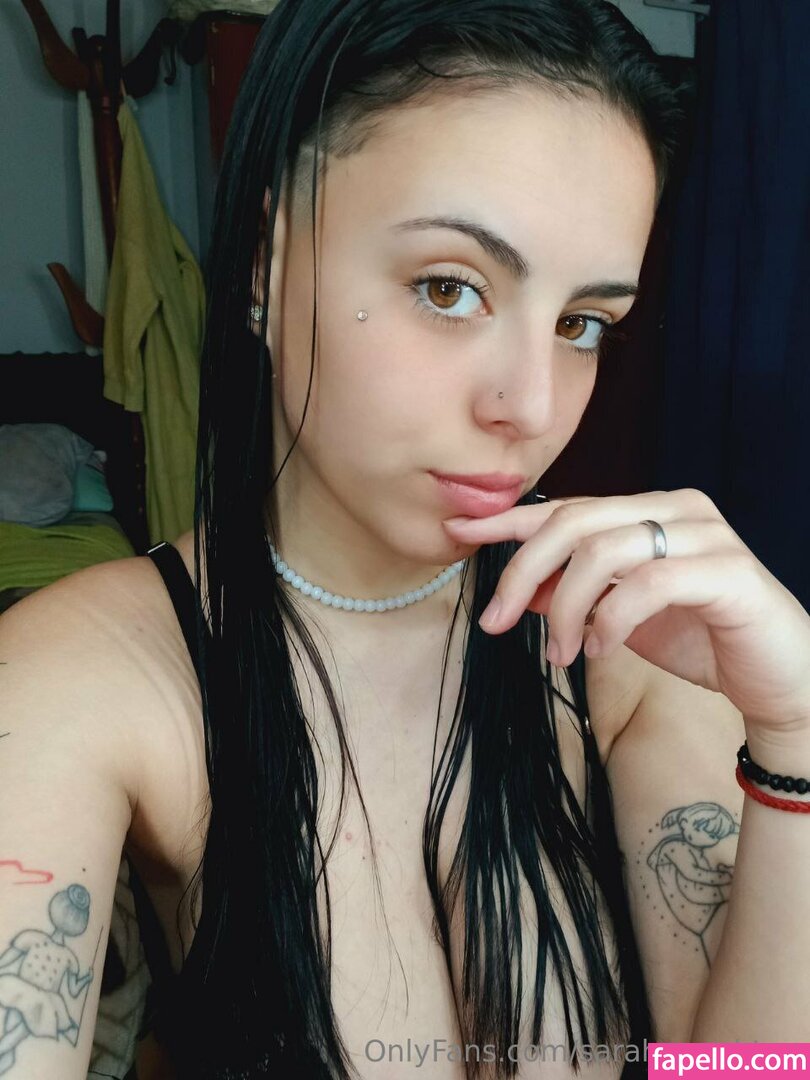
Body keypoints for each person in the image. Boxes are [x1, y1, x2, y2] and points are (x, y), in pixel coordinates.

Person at [2, 1, 809, 1078]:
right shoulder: (89, 676)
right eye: (449, 288)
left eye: (582, 325)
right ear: (265, 260)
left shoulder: (624, 648)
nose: (531, 407)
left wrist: (795, 737)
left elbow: (744, 1072)